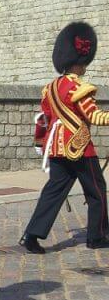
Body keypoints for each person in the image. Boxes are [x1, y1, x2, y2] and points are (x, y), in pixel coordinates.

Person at [21, 21, 109, 253]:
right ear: (80, 62)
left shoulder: (49, 88)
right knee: (97, 191)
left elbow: (43, 119)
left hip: (57, 148)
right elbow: (95, 116)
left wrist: (41, 143)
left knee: (53, 191)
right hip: (80, 148)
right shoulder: (80, 88)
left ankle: (31, 235)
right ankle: (97, 236)